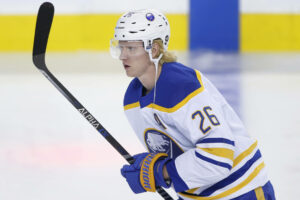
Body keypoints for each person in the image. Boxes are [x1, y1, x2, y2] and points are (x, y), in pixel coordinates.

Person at [109, 9, 275, 200]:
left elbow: (218, 156)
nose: (123, 56)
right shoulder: (132, 100)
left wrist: (162, 172)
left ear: (153, 49)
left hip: (240, 192)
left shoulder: (181, 86)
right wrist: (156, 168)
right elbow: (173, 153)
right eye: (120, 48)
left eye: (130, 48)